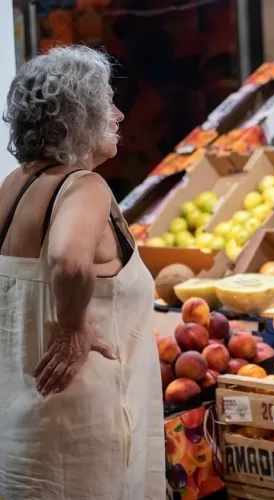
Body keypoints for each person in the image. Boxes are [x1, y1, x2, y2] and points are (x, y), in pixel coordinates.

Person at [0, 46, 165, 499]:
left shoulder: (12, 187)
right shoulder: (84, 187)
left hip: (24, 425)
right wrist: (71, 326)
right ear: (78, 116)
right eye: (107, 102)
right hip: (84, 432)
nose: (118, 114)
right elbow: (68, 260)